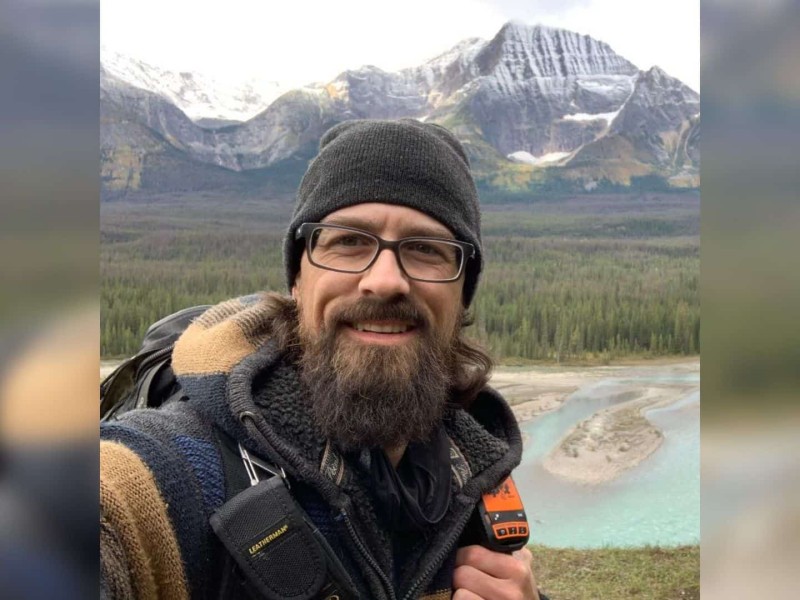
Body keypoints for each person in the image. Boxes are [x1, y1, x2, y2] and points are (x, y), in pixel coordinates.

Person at [100, 119, 542, 599]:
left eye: (425, 249)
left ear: (462, 295)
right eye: (349, 241)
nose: (386, 280)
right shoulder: (172, 474)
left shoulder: (477, 479)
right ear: (297, 280)